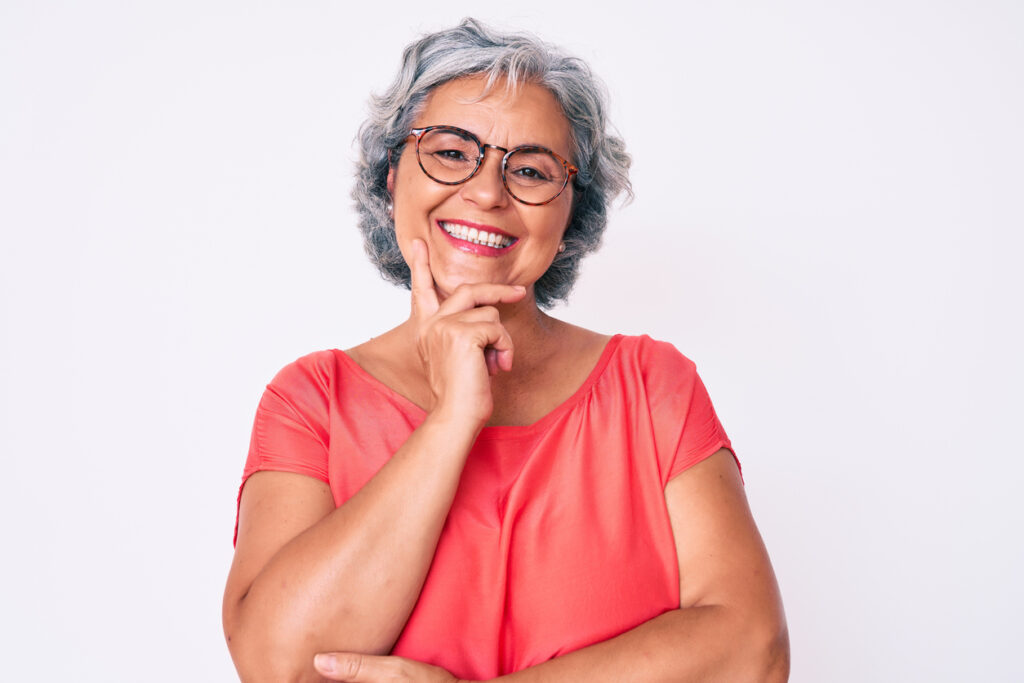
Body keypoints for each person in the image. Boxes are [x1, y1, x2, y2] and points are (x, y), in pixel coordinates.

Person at [223, 18, 788, 683]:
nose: (488, 192)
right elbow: (279, 665)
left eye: (530, 169)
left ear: (571, 213)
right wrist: (452, 419)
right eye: (451, 152)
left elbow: (752, 650)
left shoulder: (651, 385)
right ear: (390, 175)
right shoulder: (313, 398)